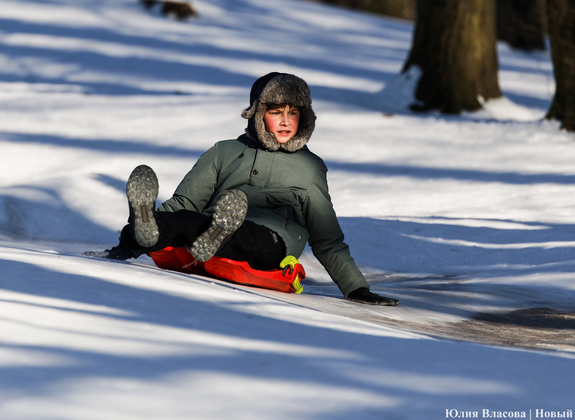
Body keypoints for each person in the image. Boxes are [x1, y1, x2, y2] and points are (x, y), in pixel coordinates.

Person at [94, 72, 399, 306]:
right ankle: (142, 226)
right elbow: (184, 202)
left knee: (247, 237)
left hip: (274, 238)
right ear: (257, 113)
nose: (285, 121)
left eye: (293, 113)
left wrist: (357, 289)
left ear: (303, 118)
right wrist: (128, 245)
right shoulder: (224, 152)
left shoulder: (310, 167)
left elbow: (326, 238)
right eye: (276, 112)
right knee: (185, 222)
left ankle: (218, 237)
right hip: (215, 221)